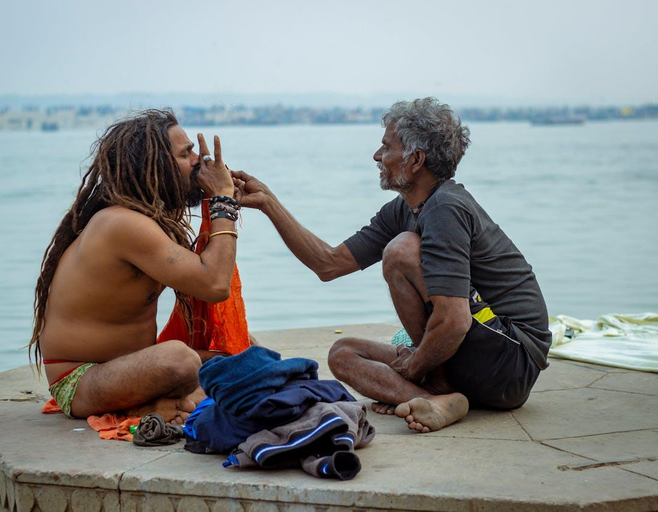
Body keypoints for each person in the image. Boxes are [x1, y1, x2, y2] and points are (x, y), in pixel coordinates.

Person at [231, 97, 551, 433]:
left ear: (415, 159)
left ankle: (428, 385)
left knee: (400, 250)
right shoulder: (402, 209)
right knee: (343, 354)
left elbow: (454, 321)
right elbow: (328, 264)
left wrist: (412, 367)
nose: (377, 156)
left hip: (510, 361)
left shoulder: (445, 208)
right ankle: (439, 399)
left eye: (386, 147)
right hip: (475, 357)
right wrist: (267, 201)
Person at [28, 109, 241, 423]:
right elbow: (214, 285)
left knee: (244, 356)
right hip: (82, 379)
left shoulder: (150, 220)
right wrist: (224, 199)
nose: (199, 160)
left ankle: (164, 403)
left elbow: (209, 277)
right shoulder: (122, 224)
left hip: (131, 366)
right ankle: (162, 403)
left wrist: (226, 198)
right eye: (186, 154)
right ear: (155, 167)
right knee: (180, 360)